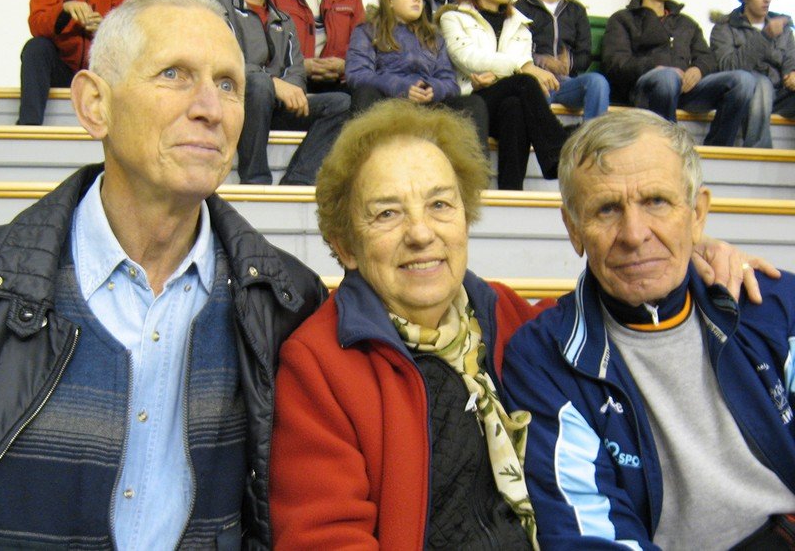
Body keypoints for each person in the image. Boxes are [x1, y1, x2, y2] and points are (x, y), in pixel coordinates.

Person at [266, 99, 771, 549]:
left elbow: (621, 294)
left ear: (465, 217)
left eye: (440, 205)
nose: (421, 233)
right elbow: (323, 537)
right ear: (346, 245)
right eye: (386, 214)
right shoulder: (320, 362)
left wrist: (694, 254)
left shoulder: (508, 316)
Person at [0, 0, 325, 549]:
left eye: (229, 84)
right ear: (95, 105)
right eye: (174, 74)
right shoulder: (2, 285)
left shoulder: (288, 302)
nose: (211, 109)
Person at [503, 109, 795, 550]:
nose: (634, 234)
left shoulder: (770, 302)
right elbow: (591, 538)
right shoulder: (543, 359)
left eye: (656, 201)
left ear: (697, 215)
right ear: (573, 229)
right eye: (606, 209)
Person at [212, 0, 351, 185]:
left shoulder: (283, 20)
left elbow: (296, 70)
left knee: (341, 103)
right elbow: (221, 60)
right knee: (259, 84)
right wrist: (273, 83)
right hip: (234, 104)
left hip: (274, 107)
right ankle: (255, 179)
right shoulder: (218, 7)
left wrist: (290, 90)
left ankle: (298, 180)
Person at [438, 0, 570, 189]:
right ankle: (557, 150)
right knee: (524, 83)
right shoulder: (453, 17)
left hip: (502, 104)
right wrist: (522, 68)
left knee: (515, 107)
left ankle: (512, 192)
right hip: (469, 101)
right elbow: (468, 58)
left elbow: (508, 71)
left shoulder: (521, 25)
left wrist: (510, 72)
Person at [602, 0, 759, 147]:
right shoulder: (622, 20)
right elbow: (615, 64)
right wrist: (655, 67)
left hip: (686, 89)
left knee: (743, 80)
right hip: (645, 89)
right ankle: (670, 146)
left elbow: (707, 57)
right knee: (667, 77)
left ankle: (718, 147)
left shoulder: (685, 23)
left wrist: (698, 69)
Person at [345, 0, 489, 151]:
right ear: (389, 0)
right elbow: (357, 74)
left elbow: (450, 83)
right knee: (364, 94)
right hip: (387, 101)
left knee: (474, 104)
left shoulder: (434, 38)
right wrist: (401, 87)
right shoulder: (368, 30)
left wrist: (433, 89)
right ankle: (368, 163)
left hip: (428, 105)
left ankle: (475, 169)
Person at [17, 0, 132, 126]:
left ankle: (123, 127)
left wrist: (104, 30)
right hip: (62, 71)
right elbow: (36, 26)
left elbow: (129, 36)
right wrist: (64, 10)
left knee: (132, 54)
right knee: (36, 47)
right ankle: (28, 126)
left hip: (99, 76)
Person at [515, 0, 610, 120]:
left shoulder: (576, 10)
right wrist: (541, 61)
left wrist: (569, 62)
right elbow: (514, 49)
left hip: (566, 83)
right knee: (536, 93)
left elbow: (584, 55)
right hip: (536, 80)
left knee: (597, 82)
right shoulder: (523, 6)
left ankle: (593, 136)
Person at [710, 0, 795, 149]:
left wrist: (793, 73)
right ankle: (759, 152)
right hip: (747, 94)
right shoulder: (724, 27)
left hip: (779, 94)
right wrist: (764, 37)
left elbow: (790, 58)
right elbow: (729, 67)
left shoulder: (783, 27)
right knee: (761, 82)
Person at [270, 0, 364, 93]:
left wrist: (345, 66)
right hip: (291, 82)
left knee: (366, 92)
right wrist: (299, 67)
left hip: (340, 82)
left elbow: (363, 49)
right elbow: (267, 49)